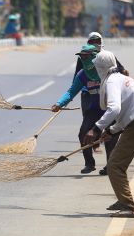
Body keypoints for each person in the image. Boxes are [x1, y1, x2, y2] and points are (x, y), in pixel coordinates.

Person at [83, 50, 134, 218]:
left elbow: (115, 108)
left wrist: (96, 129)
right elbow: (126, 112)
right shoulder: (121, 78)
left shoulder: (111, 81)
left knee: (115, 165)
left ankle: (130, 207)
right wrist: (111, 131)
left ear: (101, 68)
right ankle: (123, 200)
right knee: (117, 164)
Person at [51, 44, 119, 175]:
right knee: (83, 134)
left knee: (110, 137)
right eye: (82, 57)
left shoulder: (106, 71)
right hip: (93, 109)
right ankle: (89, 163)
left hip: (110, 108)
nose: (84, 60)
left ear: (94, 57)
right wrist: (59, 103)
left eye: (86, 57)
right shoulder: (82, 74)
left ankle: (110, 165)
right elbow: (72, 91)